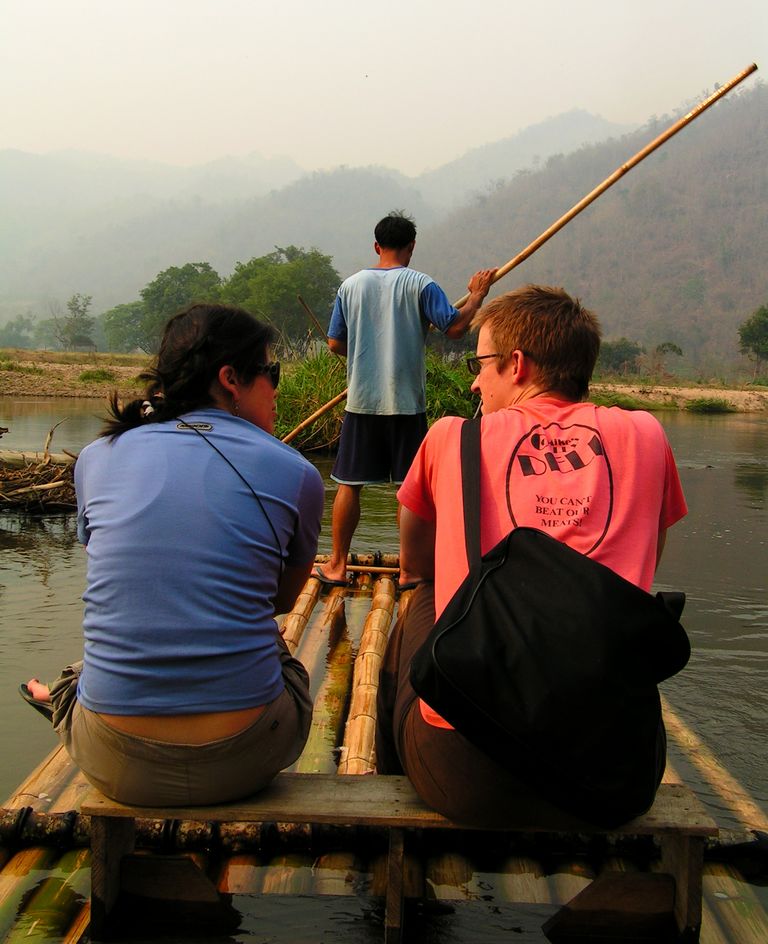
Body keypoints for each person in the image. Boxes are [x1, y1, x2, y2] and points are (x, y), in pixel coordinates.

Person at [376, 284, 688, 825]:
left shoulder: (453, 437)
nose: (474, 380)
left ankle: (388, 807)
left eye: (481, 364)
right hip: (612, 778)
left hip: (469, 778)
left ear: (516, 364)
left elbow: (414, 559)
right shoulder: (647, 434)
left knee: (418, 598)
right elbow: (646, 562)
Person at [20, 304, 324, 806]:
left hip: (113, 761)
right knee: (281, 656)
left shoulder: (97, 457)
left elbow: (124, 577)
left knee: (91, 660)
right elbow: (283, 601)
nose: (277, 387)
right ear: (230, 379)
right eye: (271, 373)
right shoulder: (295, 473)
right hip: (245, 757)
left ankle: (60, 694)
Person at [315, 210, 496, 588]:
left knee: (349, 484)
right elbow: (457, 328)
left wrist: (364, 354)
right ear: (411, 247)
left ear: (376, 246)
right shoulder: (421, 285)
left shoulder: (350, 286)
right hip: (407, 404)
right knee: (409, 489)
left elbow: (334, 343)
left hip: (362, 402)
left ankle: (336, 566)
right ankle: (410, 571)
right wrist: (477, 295)